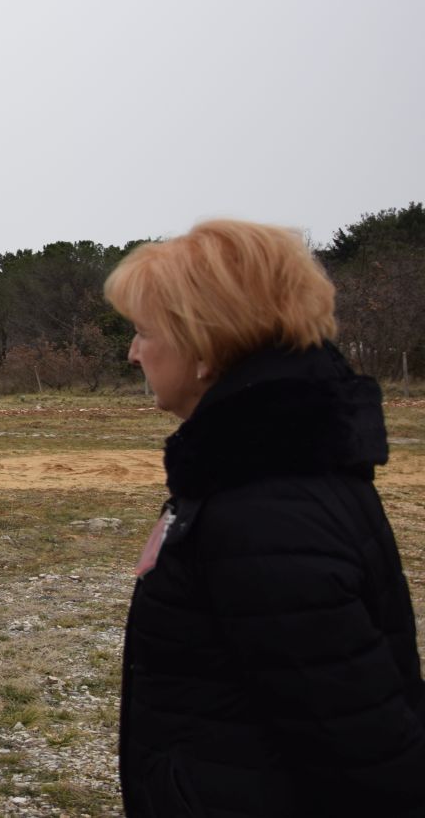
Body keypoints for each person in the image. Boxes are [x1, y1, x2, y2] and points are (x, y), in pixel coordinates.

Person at [104, 220, 425, 816]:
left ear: (203, 348)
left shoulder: (262, 511)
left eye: (144, 331)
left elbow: (370, 756)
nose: (133, 352)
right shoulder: (271, 471)